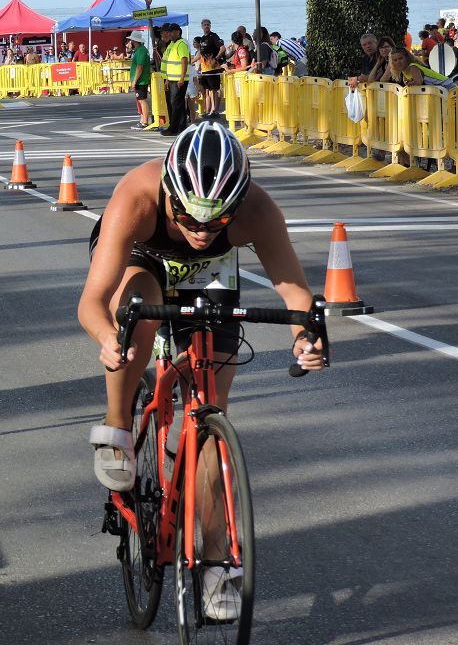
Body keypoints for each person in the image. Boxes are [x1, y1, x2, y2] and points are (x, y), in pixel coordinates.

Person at [78, 122, 323, 610]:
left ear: (238, 206)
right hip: (142, 259)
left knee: (210, 408)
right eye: (190, 219)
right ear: (170, 191)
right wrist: (108, 338)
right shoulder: (138, 196)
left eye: (215, 224)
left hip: (209, 278)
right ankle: (118, 424)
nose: (200, 231)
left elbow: (295, 292)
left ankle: (215, 564)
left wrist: (305, 337)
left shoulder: (258, 209)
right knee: (138, 306)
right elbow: (91, 301)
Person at [160, 23, 191, 137]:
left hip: (179, 79)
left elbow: (184, 60)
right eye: (169, 32)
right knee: (177, 104)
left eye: (172, 32)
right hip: (172, 78)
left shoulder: (181, 44)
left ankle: (174, 128)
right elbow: (169, 63)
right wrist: (168, 79)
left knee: (175, 103)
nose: (170, 34)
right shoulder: (173, 44)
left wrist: (182, 78)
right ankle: (181, 127)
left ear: (178, 32)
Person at [380, 46, 455, 90]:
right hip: (438, 89)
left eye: (400, 58)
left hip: (445, 85)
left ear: (406, 58)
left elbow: (418, 81)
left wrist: (410, 84)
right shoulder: (403, 71)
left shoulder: (412, 67)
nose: (398, 62)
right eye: (395, 60)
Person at [196, 20, 224, 117]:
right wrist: (191, 61)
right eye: (205, 25)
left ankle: (215, 111)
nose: (207, 26)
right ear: (202, 26)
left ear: (210, 26)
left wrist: (216, 59)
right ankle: (209, 111)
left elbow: (222, 48)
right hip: (205, 69)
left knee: (214, 90)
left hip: (213, 69)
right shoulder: (203, 38)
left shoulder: (214, 36)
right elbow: (200, 53)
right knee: (208, 90)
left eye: (208, 25)